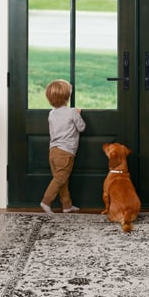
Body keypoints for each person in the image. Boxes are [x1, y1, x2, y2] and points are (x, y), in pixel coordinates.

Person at [40, 79, 85, 214]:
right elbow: (81, 127)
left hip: (53, 151)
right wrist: (78, 113)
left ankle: (67, 205)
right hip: (65, 152)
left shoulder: (52, 113)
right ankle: (46, 201)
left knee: (62, 180)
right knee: (60, 179)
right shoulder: (72, 112)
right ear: (67, 97)